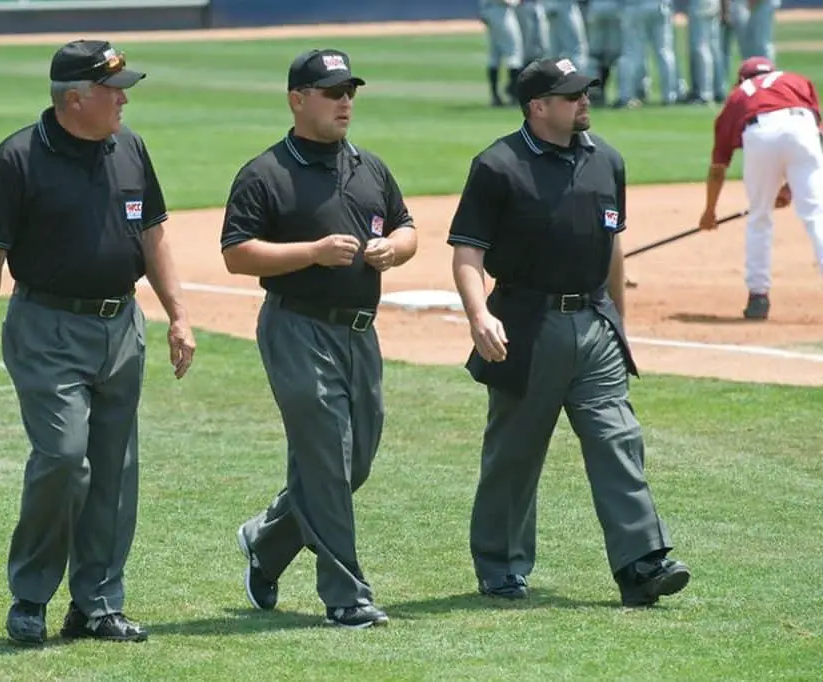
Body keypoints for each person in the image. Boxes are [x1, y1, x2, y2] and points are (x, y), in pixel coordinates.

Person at [0, 39, 196, 645]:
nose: (123, 100)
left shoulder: (131, 148)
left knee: (116, 468)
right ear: (74, 99)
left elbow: (154, 235)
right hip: (47, 328)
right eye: (112, 91)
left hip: (122, 325)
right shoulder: (17, 158)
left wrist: (178, 314)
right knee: (65, 457)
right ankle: (31, 596)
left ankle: (97, 603)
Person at [447, 57, 690, 607]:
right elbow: (468, 252)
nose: (586, 101)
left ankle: (641, 563)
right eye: (573, 94)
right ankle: (501, 565)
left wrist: (620, 322)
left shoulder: (607, 159)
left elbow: (613, 246)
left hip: (595, 326)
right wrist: (478, 315)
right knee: (516, 451)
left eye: (588, 91)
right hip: (525, 326)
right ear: (538, 106)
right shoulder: (498, 165)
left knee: (617, 439)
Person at [220, 48, 418, 629]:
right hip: (297, 327)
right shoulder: (266, 172)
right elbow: (236, 254)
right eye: (332, 92)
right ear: (297, 99)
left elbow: (406, 227)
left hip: (360, 334)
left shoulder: (369, 167)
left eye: (349, 91)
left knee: (352, 463)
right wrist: (312, 252)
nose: (345, 102)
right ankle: (346, 595)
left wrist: (393, 250)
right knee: (329, 456)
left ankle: (269, 540)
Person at [698, 56, 823, 320]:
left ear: (742, 78)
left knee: (759, 217)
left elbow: (718, 167)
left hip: (760, 132)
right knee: (816, 215)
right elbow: (814, 136)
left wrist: (710, 211)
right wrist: (790, 187)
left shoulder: (737, 96)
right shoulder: (796, 81)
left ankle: (758, 297)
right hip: (803, 128)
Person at [478, 0, 526, 106]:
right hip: (501, 11)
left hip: (489, 10)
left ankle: (495, 96)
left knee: (494, 55)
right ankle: (514, 95)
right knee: (514, 52)